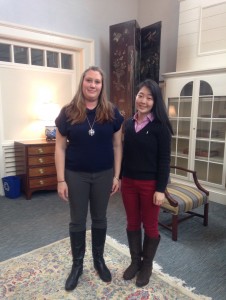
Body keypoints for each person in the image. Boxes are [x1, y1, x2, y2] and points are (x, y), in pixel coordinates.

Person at [55, 66, 124, 291]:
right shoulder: (68, 112)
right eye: (89, 81)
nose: (93, 85)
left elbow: (117, 145)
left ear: (102, 86)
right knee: (77, 220)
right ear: (82, 82)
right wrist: (60, 180)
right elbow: (60, 149)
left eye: (97, 82)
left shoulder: (112, 112)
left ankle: (99, 260)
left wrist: (116, 175)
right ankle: (77, 266)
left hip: (104, 174)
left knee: (100, 218)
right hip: (75, 175)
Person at [120, 79, 173, 287]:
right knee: (132, 223)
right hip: (129, 184)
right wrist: (120, 177)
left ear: (155, 101)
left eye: (149, 97)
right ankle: (135, 261)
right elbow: (124, 155)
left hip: (150, 185)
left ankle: (147, 266)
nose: (143, 101)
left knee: (150, 226)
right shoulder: (128, 124)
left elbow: (164, 161)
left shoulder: (161, 128)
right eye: (140, 95)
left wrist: (161, 189)